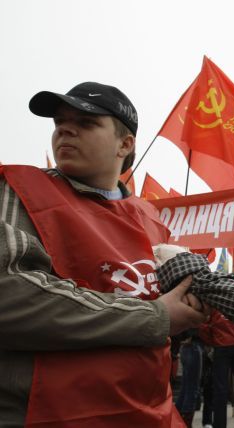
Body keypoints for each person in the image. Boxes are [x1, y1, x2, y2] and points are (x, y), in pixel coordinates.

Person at [0, 81, 212, 426]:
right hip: (49, 415)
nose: (64, 129)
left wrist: (201, 306)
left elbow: (174, 312)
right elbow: (11, 298)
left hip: (150, 414)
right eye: (59, 122)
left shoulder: (150, 218)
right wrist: (155, 316)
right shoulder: (20, 191)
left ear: (125, 144)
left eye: (86, 122)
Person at [199, 310, 234, 428]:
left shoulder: (216, 303)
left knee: (220, 390)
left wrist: (213, 341)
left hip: (221, 345)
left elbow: (204, 326)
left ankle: (219, 425)